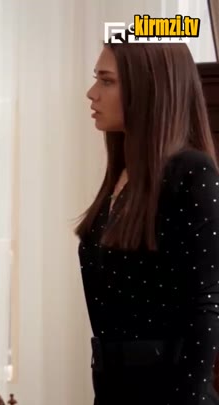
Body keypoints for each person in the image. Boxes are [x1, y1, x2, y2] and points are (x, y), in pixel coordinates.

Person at [78, 42, 219, 405]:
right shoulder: (122, 175)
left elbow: (205, 304)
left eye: (107, 81)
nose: (92, 93)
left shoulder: (192, 172)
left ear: (149, 86)